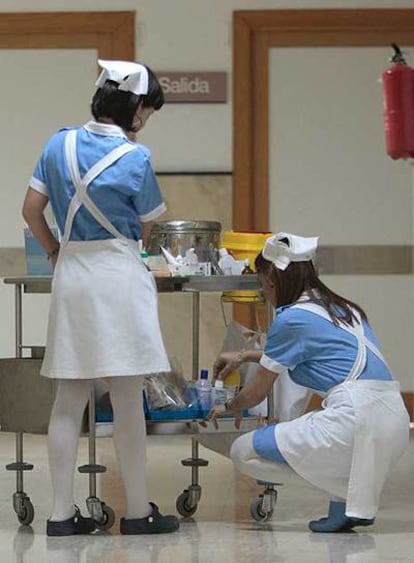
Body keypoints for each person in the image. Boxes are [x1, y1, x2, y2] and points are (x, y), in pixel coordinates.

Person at [22, 60, 179, 536]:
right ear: (134, 107)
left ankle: (61, 515)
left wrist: (54, 250)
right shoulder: (136, 158)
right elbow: (147, 225)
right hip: (117, 274)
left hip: (73, 275)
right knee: (127, 397)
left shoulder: (57, 143)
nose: (146, 120)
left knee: (69, 397)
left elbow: (31, 210)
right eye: (148, 111)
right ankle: (136, 512)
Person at [210, 232, 409, 533]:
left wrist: (227, 405)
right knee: (330, 448)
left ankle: (347, 494)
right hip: (393, 422)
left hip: (354, 421)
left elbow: (256, 393)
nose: (264, 291)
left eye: (262, 284)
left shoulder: (291, 319)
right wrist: (246, 355)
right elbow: (308, 351)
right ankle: (347, 507)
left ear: (271, 279)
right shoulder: (344, 309)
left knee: (243, 451)